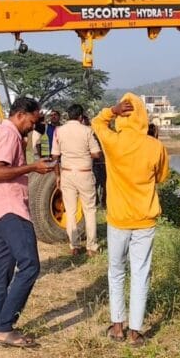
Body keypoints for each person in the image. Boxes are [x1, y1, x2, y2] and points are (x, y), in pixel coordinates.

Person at [91, 93, 170, 348]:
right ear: (143, 116)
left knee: (116, 272)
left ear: (123, 115)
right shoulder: (155, 146)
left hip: (118, 219)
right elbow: (161, 177)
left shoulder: (113, 141)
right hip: (145, 219)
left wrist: (110, 111)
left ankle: (117, 327)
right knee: (140, 274)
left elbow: (96, 123)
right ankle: (136, 332)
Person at [0, 97, 55, 348]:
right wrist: (33, 166)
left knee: (3, 270)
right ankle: (3, 326)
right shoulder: (9, 134)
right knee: (30, 265)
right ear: (21, 115)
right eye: (32, 122)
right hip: (9, 209)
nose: (33, 127)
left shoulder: (4, 133)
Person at [51, 104, 102, 256]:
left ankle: (74, 246)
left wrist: (58, 175)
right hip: (84, 173)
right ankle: (91, 247)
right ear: (81, 116)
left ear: (67, 115)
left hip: (67, 173)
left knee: (71, 211)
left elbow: (55, 156)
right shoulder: (87, 130)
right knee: (90, 210)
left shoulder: (58, 131)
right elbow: (96, 154)